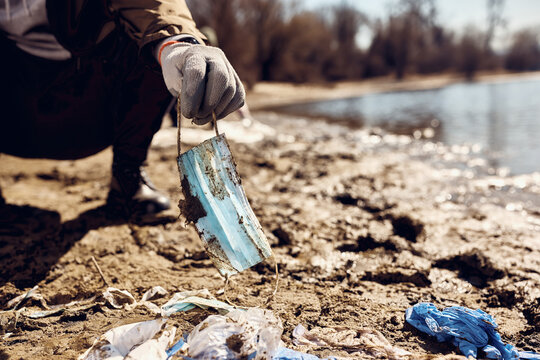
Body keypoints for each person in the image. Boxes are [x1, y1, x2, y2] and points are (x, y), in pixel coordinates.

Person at [0, 0, 245, 217]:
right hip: (12, 115)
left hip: (87, 107)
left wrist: (179, 42)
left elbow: (151, 7)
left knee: (154, 40)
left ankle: (127, 175)